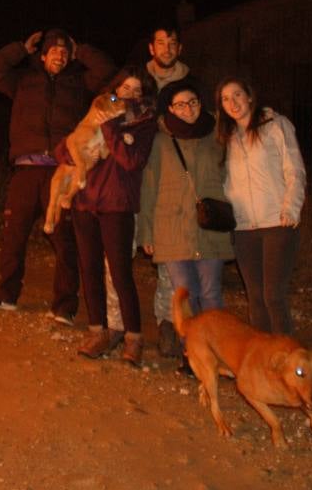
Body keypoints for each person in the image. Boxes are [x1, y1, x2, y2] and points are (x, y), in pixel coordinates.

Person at [0, 28, 115, 323]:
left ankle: (65, 306)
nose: (60, 55)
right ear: (42, 56)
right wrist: (19, 49)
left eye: (65, 52)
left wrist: (84, 52)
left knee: (65, 240)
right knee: (14, 234)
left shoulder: (78, 83)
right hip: (26, 169)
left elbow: (108, 73)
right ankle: (6, 295)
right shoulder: (23, 81)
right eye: (54, 51)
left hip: (61, 170)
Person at [135, 80, 234, 374]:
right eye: (180, 104)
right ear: (170, 108)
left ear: (201, 104)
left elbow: (231, 177)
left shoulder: (218, 136)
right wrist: (146, 231)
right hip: (171, 226)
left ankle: (217, 353)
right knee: (184, 294)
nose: (188, 109)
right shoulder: (160, 139)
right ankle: (191, 354)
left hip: (209, 228)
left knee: (211, 292)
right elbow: (149, 187)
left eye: (193, 102)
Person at [109, 24, 194, 354]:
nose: (167, 48)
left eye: (173, 43)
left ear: (179, 48)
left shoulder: (189, 84)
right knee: (121, 250)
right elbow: (108, 106)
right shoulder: (135, 82)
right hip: (129, 174)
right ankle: (117, 323)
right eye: (161, 42)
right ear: (151, 48)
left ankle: (167, 322)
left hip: (167, 175)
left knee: (168, 252)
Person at [65, 67, 158, 366]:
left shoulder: (143, 123)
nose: (128, 95)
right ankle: (97, 331)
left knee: (120, 273)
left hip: (117, 203)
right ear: (114, 90)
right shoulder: (97, 111)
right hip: (85, 200)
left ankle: (133, 337)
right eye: (124, 89)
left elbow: (131, 161)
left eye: (136, 91)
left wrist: (110, 127)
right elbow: (69, 145)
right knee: (89, 268)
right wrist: (76, 157)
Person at [216, 77, 307, 335]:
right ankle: (263, 360)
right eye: (225, 99)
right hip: (244, 227)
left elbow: (295, 170)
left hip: (278, 222)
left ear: (249, 96)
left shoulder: (276, 125)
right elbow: (225, 181)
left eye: (237, 95)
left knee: (273, 296)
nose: (232, 102)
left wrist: (291, 208)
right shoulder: (227, 138)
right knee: (255, 297)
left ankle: (285, 357)